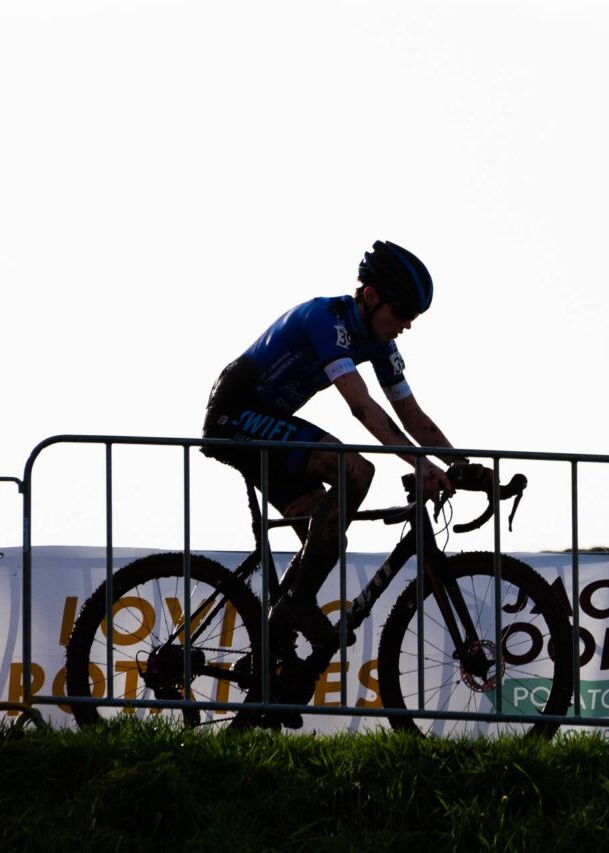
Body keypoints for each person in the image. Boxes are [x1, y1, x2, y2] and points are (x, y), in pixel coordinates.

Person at [201, 240, 470, 725]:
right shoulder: (329, 320)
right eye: (403, 310)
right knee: (355, 469)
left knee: (324, 539)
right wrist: (417, 464)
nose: (407, 323)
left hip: (266, 428)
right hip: (235, 416)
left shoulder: (381, 344)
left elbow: (413, 416)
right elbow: (362, 407)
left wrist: (461, 466)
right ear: (369, 295)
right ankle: (298, 608)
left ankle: (272, 670)